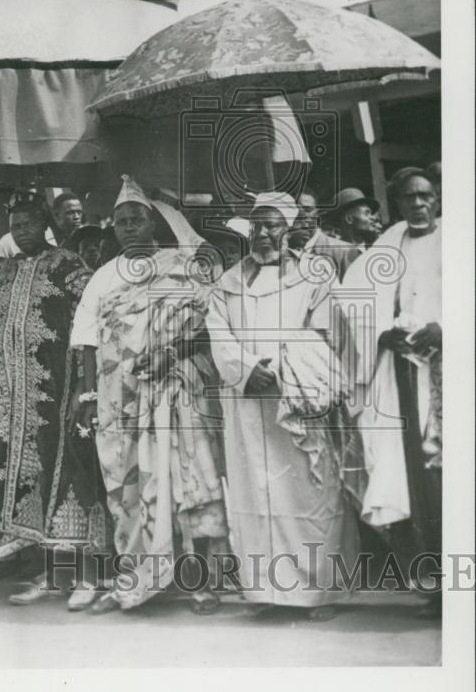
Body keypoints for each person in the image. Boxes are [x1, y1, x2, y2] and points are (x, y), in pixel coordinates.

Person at [71, 176, 229, 615]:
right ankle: (137, 579)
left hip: (176, 393)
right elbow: (85, 340)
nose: (126, 227)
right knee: (126, 487)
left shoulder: (182, 263)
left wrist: (172, 357)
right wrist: (84, 395)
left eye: (135, 219)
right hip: (118, 399)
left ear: (154, 221)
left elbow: (208, 325)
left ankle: (201, 582)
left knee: (186, 481)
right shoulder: (103, 276)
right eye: (119, 222)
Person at [206, 191, 362, 621]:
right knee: (254, 491)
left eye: (273, 225)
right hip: (246, 403)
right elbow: (217, 333)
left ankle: (320, 592)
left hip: (297, 400)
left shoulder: (315, 276)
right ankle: (267, 592)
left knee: (310, 491)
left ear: (289, 229)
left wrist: (278, 366)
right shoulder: (228, 282)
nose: (263, 233)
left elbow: (327, 335)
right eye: (257, 225)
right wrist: (244, 369)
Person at [0, 197, 109, 610]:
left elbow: (91, 319)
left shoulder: (68, 265)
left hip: (60, 390)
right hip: (15, 398)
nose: (21, 230)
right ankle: (54, 574)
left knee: (72, 473)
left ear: (46, 225)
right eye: (15, 224)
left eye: (29, 223)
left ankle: (89, 575)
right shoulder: (1, 273)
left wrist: (82, 386)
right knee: (30, 482)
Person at [342, 169, 442, 618]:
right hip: (402, 375)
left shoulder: (459, 241)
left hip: (449, 370)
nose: (417, 205)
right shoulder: (387, 247)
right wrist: (382, 333)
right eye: (408, 198)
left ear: (436, 199)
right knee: (408, 474)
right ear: (397, 204)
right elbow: (352, 302)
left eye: (425, 196)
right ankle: (435, 583)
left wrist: (445, 327)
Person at [290, 188, 360, 280]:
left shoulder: (345, 251)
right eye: (296, 209)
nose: (301, 214)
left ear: (318, 214)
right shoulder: (286, 254)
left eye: (307, 210)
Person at [331, 188, 380, 252]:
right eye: (366, 213)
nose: (373, 218)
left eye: (371, 213)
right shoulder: (334, 254)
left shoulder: (377, 249)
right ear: (349, 219)